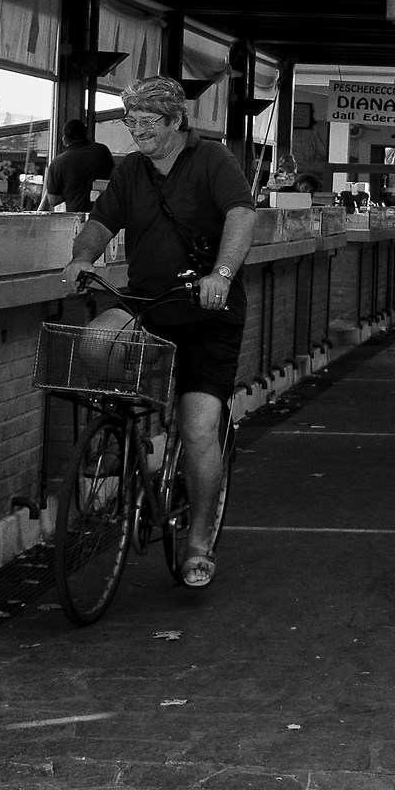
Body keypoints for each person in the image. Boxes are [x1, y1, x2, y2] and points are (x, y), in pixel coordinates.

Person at [59, 76, 256, 589]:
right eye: (131, 123)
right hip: (151, 308)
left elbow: (240, 215)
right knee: (100, 347)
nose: (138, 132)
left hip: (208, 316)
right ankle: (126, 446)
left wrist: (224, 274)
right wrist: (83, 256)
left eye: (148, 123)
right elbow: (103, 221)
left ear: (176, 122)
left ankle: (197, 540)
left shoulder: (213, 160)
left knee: (196, 431)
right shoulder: (131, 170)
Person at [38, 117, 114, 213]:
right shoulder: (102, 151)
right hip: (105, 214)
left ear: (64, 139)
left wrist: (68, 190)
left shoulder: (58, 162)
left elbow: (53, 200)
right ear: (85, 134)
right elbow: (112, 179)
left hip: (77, 218)